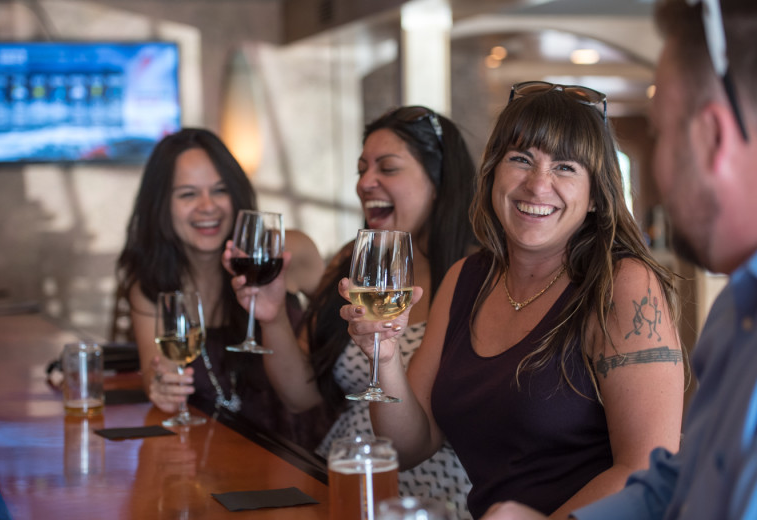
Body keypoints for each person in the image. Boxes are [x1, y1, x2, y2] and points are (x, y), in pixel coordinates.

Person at [340, 82, 687, 520]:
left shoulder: (623, 285)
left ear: (597, 196)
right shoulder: (465, 279)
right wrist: (383, 357)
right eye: (521, 160)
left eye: (565, 167)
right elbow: (408, 447)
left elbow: (645, 470)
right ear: (492, 175)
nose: (538, 184)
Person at [479, 1, 757, 519]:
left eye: (661, 133)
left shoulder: (639, 287)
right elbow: (674, 481)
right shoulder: (735, 312)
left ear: (711, 138)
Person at [224, 106, 478, 518]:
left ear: (440, 181)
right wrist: (270, 316)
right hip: (341, 472)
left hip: (432, 490)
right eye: (361, 169)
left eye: (387, 168)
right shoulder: (355, 263)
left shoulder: (476, 274)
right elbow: (301, 395)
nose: (364, 182)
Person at [116, 127, 325, 440]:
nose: (208, 206)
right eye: (188, 194)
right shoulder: (152, 286)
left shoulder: (286, 253)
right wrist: (160, 387)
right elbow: (156, 373)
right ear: (160, 205)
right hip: (213, 458)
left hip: (302, 451)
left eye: (220, 190)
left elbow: (344, 339)